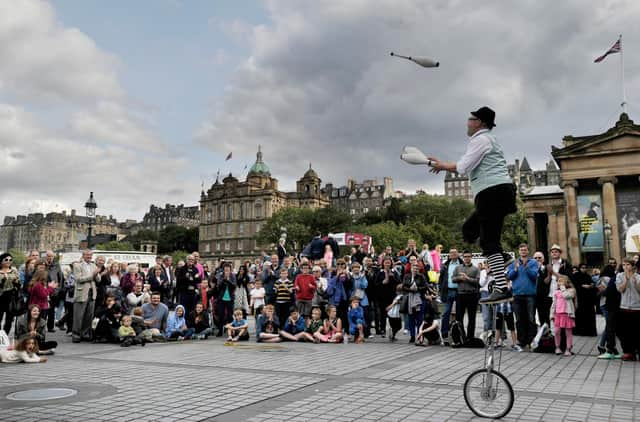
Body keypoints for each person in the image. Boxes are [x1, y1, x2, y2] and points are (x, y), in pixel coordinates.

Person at [429, 106, 517, 303]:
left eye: (471, 118)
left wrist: (442, 165)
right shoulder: (486, 140)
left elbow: (463, 166)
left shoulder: (481, 139)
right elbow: (465, 164)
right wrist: (442, 164)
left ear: (481, 123)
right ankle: (501, 257)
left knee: (488, 241)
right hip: (498, 193)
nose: (468, 122)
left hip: (491, 192)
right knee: (469, 230)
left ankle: (502, 288)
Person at [507, 244, 539, 350]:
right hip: (517, 295)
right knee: (519, 319)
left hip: (530, 294)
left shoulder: (533, 262)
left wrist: (526, 267)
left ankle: (531, 340)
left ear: (528, 251)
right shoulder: (514, 263)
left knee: (531, 318)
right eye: (521, 250)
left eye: (525, 250)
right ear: (518, 251)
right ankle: (521, 340)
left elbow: (534, 276)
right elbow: (509, 276)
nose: (523, 251)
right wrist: (515, 269)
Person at [72, 250, 101, 343]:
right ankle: (76, 335)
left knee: (89, 316)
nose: (89, 256)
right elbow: (78, 279)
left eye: (90, 255)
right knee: (78, 316)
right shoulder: (77, 265)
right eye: (87, 255)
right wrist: (92, 276)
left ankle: (85, 334)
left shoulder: (93, 265)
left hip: (92, 293)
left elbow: (98, 279)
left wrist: (96, 275)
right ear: (83, 256)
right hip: (81, 293)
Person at [615, 258, 640, 361]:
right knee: (624, 332)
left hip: (637, 308)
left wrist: (634, 281)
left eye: (628, 264)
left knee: (637, 332)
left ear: (633, 266)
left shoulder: (638, 277)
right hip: (624, 308)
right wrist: (626, 279)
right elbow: (620, 289)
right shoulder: (619, 276)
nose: (625, 267)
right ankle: (628, 352)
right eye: (624, 265)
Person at [452, 250, 480, 340]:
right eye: (465, 256)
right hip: (460, 295)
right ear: (463, 257)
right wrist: (460, 278)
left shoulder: (476, 269)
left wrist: (467, 278)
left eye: (468, 256)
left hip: (472, 295)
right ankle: (461, 336)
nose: (467, 258)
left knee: (472, 318)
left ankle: (470, 337)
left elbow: (477, 282)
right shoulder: (458, 268)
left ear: (471, 257)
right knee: (459, 317)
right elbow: (453, 279)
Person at [438, 249, 463, 343]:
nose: (453, 254)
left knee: (459, 313)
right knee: (446, 313)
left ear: (458, 254)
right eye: (451, 253)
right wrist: (440, 289)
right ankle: (444, 333)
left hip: (459, 291)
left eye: (454, 253)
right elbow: (441, 278)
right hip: (448, 291)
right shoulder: (445, 265)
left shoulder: (461, 264)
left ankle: (458, 332)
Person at [550, 275, 577, 356]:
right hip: (558, 314)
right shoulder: (557, 292)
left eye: (561, 281)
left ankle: (568, 349)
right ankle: (557, 347)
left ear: (566, 282)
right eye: (558, 281)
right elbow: (553, 304)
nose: (559, 283)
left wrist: (563, 288)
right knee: (557, 331)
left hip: (567, 314)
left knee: (568, 332)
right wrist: (551, 314)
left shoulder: (571, 290)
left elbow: (567, 296)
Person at [572, 263, 597, 336]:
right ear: (579, 268)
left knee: (589, 315)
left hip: (588, 300)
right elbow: (574, 285)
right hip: (580, 299)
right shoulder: (576, 276)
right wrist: (582, 286)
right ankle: (580, 331)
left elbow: (591, 283)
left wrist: (591, 285)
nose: (584, 269)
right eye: (582, 268)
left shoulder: (588, 276)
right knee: (580, 315)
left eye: (585, 268)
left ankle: (589, 331)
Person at [0, 252, 21, 334]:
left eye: (10, 260)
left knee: (9, 319)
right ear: (1, 260)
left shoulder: (14, 271)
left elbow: (19, 285)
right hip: (1, 297)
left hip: (11, 298)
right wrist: (3, 280)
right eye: (6, 259)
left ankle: (4, 336)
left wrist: (16, 282)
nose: (8, 261)